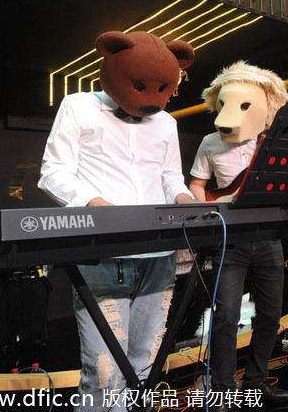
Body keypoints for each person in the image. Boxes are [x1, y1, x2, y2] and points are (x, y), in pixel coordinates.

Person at [38, 31, 196, 412]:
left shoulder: (166, 123)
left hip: (158, 257)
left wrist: (187, 203)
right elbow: (53, 173)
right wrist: (96, 205)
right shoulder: (79, 106)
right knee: (104, 371)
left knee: (146, 364)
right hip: (103, 256)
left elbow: (171, 178)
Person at [188, 61, 288, 412]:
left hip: (268, 237)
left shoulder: (271, 141)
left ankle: (256, 384)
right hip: (229, 239)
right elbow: (197, 184)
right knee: (226, 316)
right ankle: (221, 389)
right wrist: (206, 214)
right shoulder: (209, 142)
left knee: (270, 315)